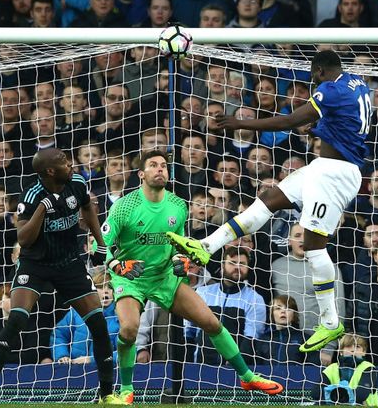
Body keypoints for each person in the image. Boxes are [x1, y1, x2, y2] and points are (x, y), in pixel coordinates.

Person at [167, 50, 369, 354]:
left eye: (313, 76)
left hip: (335, 174)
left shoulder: (330, 89)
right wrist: (326, 130)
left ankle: (330, 323)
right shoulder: (357, 83)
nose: (313, 81)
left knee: (314, 246)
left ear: (318, 70)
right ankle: (207, 245)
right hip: (323, 168)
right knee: (268, 199)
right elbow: (344, 120)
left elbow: (288, 120)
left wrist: (238, 123)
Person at [100, 150, 284, 403]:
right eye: (153, 165)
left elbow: (179, 244)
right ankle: (126, 390)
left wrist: (181, 260)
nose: (159, 169)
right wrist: (118, 265)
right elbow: (99, 246)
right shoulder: (124, 205)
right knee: (130, 329)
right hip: (131, 277)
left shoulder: (177, 205)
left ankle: (247, 376)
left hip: (165, 277)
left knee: (211, 322)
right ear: (141, 174)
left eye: (163, 165)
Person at [0, 148, 123, 405]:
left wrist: (101, 244)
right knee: (17, 319)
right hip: (35, 264)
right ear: (51, 171)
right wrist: (42, 209)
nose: (72, 166)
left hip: (69, 263)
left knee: (98, 324)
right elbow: (23, 238)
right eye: (66, 163)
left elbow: (88, 209)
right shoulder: (32, 196)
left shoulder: (76, 183)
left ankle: (107, 395)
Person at [313, 334, 378, 406]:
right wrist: (343, 395)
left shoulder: (369, 368)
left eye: (357, 347)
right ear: (341, 352)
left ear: (364, 352)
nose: (353, 350)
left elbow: (361, 394)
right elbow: (315, 393)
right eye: (348, 346)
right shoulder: (331, 369)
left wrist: (332, 395)